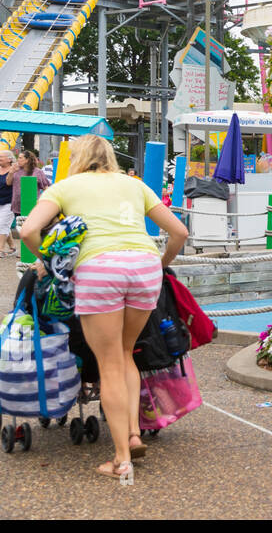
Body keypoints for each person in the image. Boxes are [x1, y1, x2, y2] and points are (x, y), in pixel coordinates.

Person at [19, 135, 188, 482]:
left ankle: (121, 461)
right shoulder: (134, 185)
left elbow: (29, 230)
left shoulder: (65, 187)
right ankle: (133, 434)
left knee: (108, 363)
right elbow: (179, 232)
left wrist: (53, 262)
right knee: (126, 354)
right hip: (143, 267)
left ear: (77, 158)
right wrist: (160, 263)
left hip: (99, 270)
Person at [7, 149, 50, 221]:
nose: (18, 160)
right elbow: (8, 183)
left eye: (20, 158)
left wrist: (41, 201)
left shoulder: (37, 171)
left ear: (27, 160)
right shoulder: (16, 170)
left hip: (33, 205)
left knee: (30, 227)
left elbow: (46, 188)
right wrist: (11, 172)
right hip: (17, 205)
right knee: (21, 228)